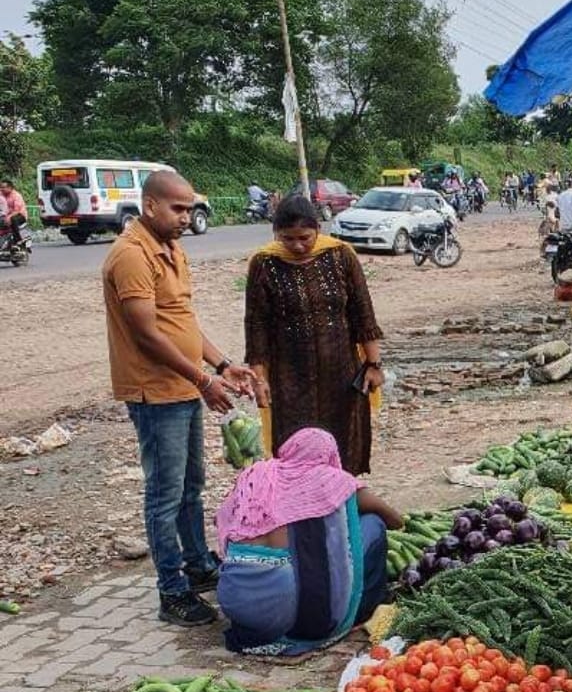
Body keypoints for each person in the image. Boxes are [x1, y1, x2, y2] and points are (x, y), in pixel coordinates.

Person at [102, 170, 255, 626]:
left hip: (183, 385)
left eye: (190, 208)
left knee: (191, 486)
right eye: (178, 209)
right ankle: (172, 591)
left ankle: (197, 565)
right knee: (165, 493)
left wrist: (221, 366)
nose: (187, 217)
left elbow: (182, 322)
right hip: (156, 391)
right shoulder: (131, 255)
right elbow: (147, 334)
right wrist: (202, 379)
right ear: (150, 206)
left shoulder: (171, 248)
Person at [215, 427, 402, 656]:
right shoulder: (333, 481)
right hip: (285, 611)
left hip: (235, 597)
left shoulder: (256, 475)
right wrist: (348, 514)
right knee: (373, 523)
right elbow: (395, 520)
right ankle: (369, 603)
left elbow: (222, 518)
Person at [244, 194, 384, 477]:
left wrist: (374, 365)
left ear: (318, 230)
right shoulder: (264, 264)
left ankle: (346, 515)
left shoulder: (341, 255)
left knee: (344, 453)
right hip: (289, 381)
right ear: (276, 235)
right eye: (287, 238)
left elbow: (363, 314)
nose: (297, 245)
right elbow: (256, 327)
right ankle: (302, 515)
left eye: (304, 238)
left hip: (342, 375)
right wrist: (259, 380)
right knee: (295, 455)